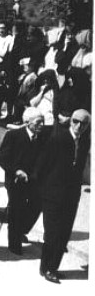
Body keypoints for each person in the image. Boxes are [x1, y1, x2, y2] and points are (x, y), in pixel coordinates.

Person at [35, 109, 90, 283]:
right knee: (52, 233)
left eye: (83, 123)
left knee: (64, 233)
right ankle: (46, 267)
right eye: (75, 121)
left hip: (71, 196)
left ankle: (53, 267)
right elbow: (43, 164)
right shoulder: (58, 139)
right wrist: (43, 189)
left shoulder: (85, 142)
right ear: (70, 121)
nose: (78, 126)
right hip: (53, 194)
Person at [0, 108, 46, 255]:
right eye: (38, 122)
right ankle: (14, 243)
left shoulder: (42, 137)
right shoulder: (13, 135)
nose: (41, 125)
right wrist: (16, 171)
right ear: (27, 123)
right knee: (16, 209)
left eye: (43, 121)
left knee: (37, 205)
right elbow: (2, 158)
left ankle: (21, 229)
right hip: (15, 180)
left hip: (33, 179)